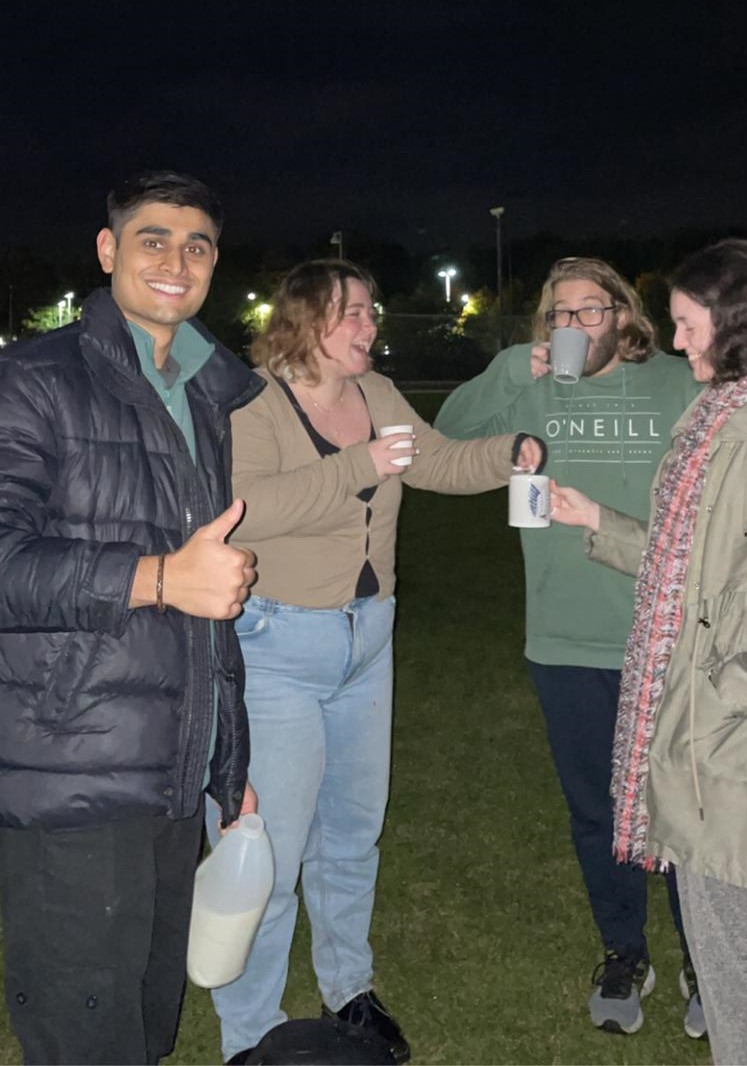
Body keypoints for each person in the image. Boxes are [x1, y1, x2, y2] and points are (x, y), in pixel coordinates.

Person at [210, 258, 545, 1065]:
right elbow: (245, 512)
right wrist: (359, 466)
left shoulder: (379, 395)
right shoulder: (253, 401)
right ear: (303, 321)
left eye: (370, 311)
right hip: (277, 643)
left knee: (353, 835)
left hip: (368, 638)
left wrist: (511, 451)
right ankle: (250, 1031)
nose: (369, 326)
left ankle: (348, 990)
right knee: (272, 848)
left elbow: (431, 460)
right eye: (351, 313)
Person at [551, 238, 747, 1065]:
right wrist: (601, 525)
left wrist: (725, 691)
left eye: (689, 325)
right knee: (729, 971)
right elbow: (701, 562)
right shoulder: (726, 409)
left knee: (742, 968)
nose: (678, 340)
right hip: (696, 728)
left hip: (741, 742)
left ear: (736, 323)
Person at [0, 171, 263, 1066]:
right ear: (108, 251)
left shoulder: (202, 391)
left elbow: (210, 595)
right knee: (85, 1034)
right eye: (152, 238)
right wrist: (154, 577)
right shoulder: (31, 381)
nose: (176, 260)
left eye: (197, 245)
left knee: (148, 1022)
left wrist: (229, 763)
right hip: (69, 764)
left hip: (170, 771)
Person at [435, 257, 704, 1036]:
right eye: (560, 313)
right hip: (563, 638)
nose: (576, 325)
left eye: (592, 309)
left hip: (665, 635)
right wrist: (507, 369)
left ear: (625, 313)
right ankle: (625, 950)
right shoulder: (531, 385)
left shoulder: (674, 383)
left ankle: (704, 955)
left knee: (684, 814)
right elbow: (444, 433)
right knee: (597, 813)